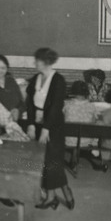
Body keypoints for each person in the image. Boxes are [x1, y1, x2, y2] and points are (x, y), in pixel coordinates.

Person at [26, 47, 74, 210]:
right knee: (44, 162)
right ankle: (51, 196)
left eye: (37, 61)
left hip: (54, 127)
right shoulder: (35, 79)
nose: (35, 63)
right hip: (38, 125)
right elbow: (30, 105)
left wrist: (46, 129)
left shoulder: (58, 80)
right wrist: (31, 125)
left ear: (45, 62)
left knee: (53, 161)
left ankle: (65, 189)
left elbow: (55, 107)